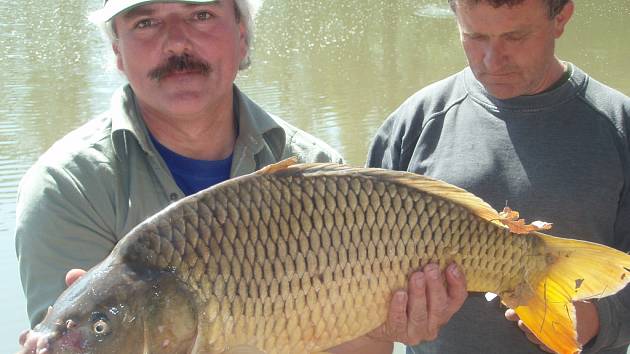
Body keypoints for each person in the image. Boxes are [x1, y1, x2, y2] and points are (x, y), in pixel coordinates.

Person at [16, 0, 468, 353]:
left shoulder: (311, 166)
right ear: (116, 49)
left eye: (201, 14)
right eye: (145, 23)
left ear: (243, 36)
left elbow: (358, 351)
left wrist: (384, 324)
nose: (176, 43)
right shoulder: (66, 187)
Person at [367, 0, 630, 353]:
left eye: (516, 36)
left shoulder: (618, 127)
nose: (492, 60)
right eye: (475, 36)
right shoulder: (413, 125)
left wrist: (600, 318)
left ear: (561, 16)